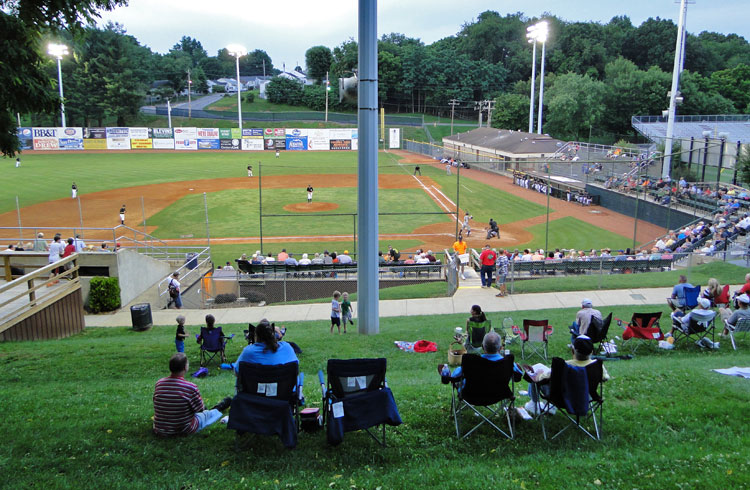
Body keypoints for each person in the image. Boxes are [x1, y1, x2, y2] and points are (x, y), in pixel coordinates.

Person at [524, 335, 610, 415]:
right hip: (586, 398)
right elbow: (605, 378)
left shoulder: (564, 366)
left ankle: (534, 404)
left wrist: (538, 374)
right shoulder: (597, 367)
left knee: (535, 373)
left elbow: (541, 379)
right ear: (591, 351)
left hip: (561, 399)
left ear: (573, 350)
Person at [152, 353, 231, 436]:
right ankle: (218, 408)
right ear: (185, 367)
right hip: (183, 429)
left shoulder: (159, 383)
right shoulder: (190, 387)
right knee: (206, 414)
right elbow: (200, 409)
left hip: (160, 428)